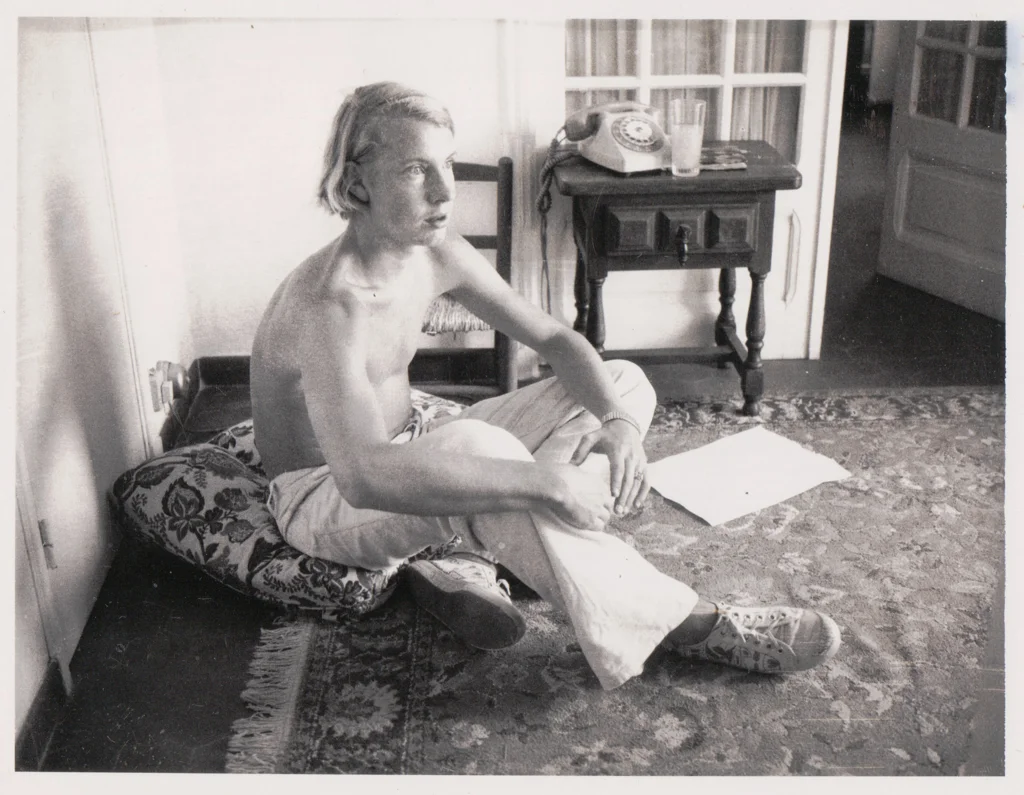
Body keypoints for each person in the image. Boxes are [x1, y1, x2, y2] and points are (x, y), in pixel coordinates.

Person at [250, 82, 841, 690]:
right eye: (414, 170)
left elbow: (555, 340)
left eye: (446, 164)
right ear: (356, 187)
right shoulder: (330, 304)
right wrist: (545, 481)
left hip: (413, 439)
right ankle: (691, 624)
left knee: (619, 382)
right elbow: (364, 476)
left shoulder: (434, 254)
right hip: (324, 499)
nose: (444, 190)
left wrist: (615, 422)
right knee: (486, 453)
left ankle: (512, 544)